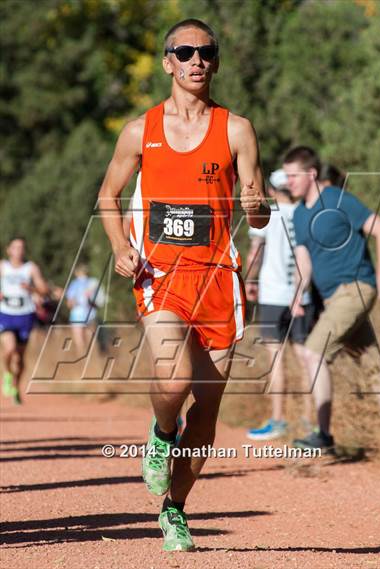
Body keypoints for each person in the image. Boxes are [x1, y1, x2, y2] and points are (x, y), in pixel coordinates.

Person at [98, 19, 270, 551]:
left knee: (208, 412)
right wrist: (119, 247)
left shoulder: (237, 129)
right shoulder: (139, 129)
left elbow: (258, 211)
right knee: (172, 380)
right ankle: (159, 433)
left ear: (215, 62)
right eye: (185, 51)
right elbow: (108, 195)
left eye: (206, 52)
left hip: (218, 277)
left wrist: (257, 207)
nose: (197, 60)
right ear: (169, 61)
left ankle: (173, 509)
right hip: (160, 273)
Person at [282, 146, 380, 451]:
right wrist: (297, 295)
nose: (288, 182)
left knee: (312, 353)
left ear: (311, 174)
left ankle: (324, 435)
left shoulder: (337, 199)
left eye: (293, 176)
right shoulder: (300, 214)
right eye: (286, 177)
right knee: (372, 366)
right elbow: (304, 263)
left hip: (356, 289)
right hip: (334, 301)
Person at [245, 169, 316, 440]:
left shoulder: (268, 216)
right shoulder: (307, 213)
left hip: (273, 296)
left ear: (272, 191)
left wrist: (250, 280)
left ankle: (277, 421)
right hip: (303, 296)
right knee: (306, 359)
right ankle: (310, 423)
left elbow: (257, 251)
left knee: (276, 360)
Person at [0, 237, 49, 404]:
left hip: (25, 315)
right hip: (5, 313)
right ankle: (7, 374)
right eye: (15, 247)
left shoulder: (31, 268)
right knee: (9, 349)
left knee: (20, 358)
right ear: (9, 250)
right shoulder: (3, 266)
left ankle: (16, 387)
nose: (18, 250)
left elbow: (44, 289)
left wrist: (31, 288)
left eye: (21, 247)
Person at [66, 264, 105, 356]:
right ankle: (93, 359)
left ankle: (82, 361)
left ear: (77, 273)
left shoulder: (74, 284)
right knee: (91, 340)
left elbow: (70, 303)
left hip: (77, 314)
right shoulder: (93, 282)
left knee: (79, 341)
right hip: (91, 313)